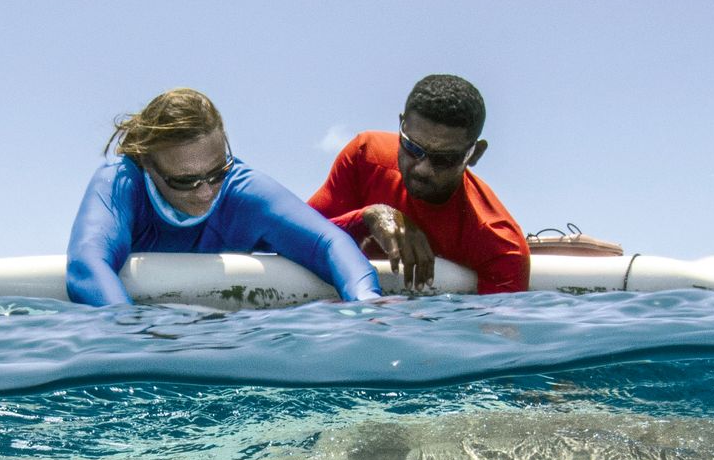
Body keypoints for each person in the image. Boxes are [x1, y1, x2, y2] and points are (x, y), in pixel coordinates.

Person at [67, 89, 380, 306]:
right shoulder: (121, 180)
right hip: (142, 332)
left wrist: (367, 302)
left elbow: (329, 243)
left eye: (217, 173)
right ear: (148, 163)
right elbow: (87, 264)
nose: (206, 192)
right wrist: (132, 334)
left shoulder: (242, 190)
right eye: (185, 181)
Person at [308, 74, 529, 293]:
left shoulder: (500, 244)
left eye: (443, 159)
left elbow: (496, 328)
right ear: (401, 126)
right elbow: (289, 239)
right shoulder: (365, 156)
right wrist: (367, 219)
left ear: (475, 154)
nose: (422, 169)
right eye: (412, 148)